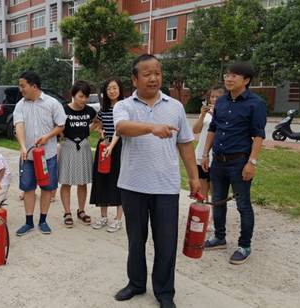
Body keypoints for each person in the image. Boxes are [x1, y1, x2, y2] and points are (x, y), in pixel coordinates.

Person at [113, 54, 200, 308]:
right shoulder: (124, 105)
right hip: (133, 185)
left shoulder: (175, 106)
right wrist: (151, 127)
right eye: (147, 73)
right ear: (134, 78)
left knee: (166, 243)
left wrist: (194, 177)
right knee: (135, 240)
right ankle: (136, 284)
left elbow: (185, 143)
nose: (154, 78)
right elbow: (122, 128)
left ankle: (164, 292)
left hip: (166, 187)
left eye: (158, 73)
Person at [202, 62, 267, 265]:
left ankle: (244, 245)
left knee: (243, 205)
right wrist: (205, 154)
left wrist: (252, 162)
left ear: (246, 80)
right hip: (218, 161)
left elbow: (258, 135)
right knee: (219, 200)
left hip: (239, 162)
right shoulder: (220, 102)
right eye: (227, 75)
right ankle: (219, 237)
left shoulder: (255, 104)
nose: (228, 79)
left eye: (234, 76)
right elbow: (212, 128)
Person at [13, 71, 66, 236]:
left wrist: (48, 137)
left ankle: (43, 221)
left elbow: (61, 125)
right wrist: (22, 146)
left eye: (23, 86)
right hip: (27, 157)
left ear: (33, 86)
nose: (20, 89)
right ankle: (29, 222)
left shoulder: (52, 103)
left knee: (47, 188)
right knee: (28, 188)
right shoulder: (20, 105)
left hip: (47, 155)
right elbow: (19, 125)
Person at [58, 81, 96, 228]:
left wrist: (89, 130)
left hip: (84, 147)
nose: (84, 100)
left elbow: (97, 121)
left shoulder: (90, 111)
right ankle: (67, 213)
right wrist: (61, 134)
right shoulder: (63, 110)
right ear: (73, 95)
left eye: (86, 97)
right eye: (81, 96)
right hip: (68, 146)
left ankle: (81, 211)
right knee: (66, 181)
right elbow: (56, 124)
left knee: (82, 182)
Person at [89, 78, 125, 233]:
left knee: (119, 181)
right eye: (109, 88)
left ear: (120, 90)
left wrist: (112, 145)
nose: (112, 91)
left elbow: (120, 129)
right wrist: (100, 130)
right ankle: (103, 217)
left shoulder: (124, 108)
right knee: (102, 180)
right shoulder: (102, 110)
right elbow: (97, 124)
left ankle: (118, 219)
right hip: (104, 146)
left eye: (114, 88)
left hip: (119, 148)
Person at [193, 86, 225, 231]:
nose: (214, 99)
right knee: (202, 191)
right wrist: (201, 115)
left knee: (215, 193)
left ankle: (214, 221)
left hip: (215, 158)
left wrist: (216, 114)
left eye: (217, 97)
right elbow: (195, 130)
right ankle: (202, 218)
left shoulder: (225, 114)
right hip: (200, 156)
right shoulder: (206, 114)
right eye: (212, 96)